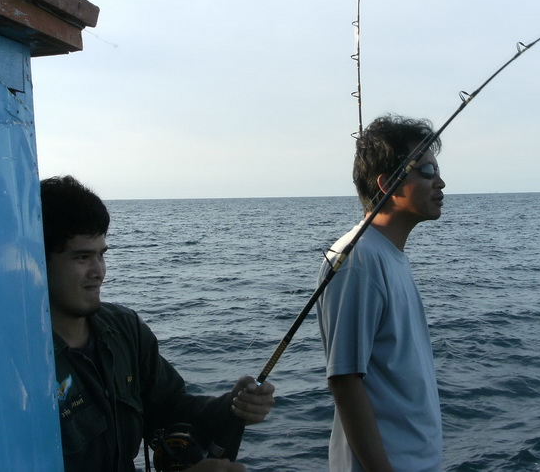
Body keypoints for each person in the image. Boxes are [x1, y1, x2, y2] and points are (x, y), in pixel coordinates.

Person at [40, 175, 275, 472]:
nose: (98, 271)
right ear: (37, 259)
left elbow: (168, 408)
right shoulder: (19, 362)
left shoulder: (125, 329)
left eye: (101, 254)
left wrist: (232, 407)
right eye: (82, 257)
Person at [317, 115, 445, 472]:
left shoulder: (386, 256)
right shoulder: (358, 260)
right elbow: (344, 380)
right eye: (427, 171)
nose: (441, 182)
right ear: (388, 184)